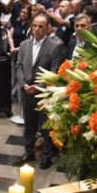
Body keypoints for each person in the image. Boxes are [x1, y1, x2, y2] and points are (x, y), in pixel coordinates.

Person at [16, 14, 66, 169]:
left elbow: (55, 71)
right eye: (34, 26)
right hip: (26, 91)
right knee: (28, 125)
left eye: (41, 26)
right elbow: (19, 66)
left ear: (47, 28)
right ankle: (28, 152)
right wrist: (23, 83)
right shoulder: (24, 45)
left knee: (45, 126)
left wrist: (39, 87)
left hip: (43, 93)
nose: (36, 29)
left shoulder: (55, 46)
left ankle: (46, 156)